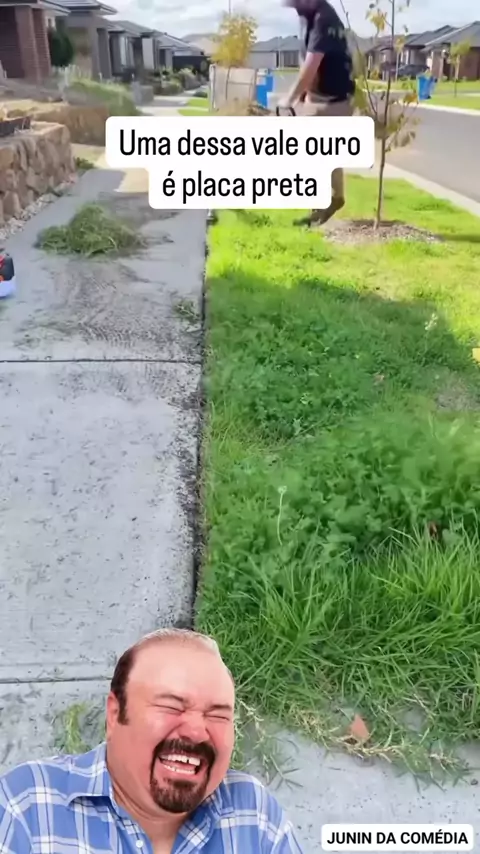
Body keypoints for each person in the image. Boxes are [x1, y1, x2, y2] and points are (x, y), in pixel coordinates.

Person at [0, 628, 303, 853]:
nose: (197, 732)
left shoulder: (253, 814)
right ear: (115, 714)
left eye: (218, 715)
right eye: (172, 707)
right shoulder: (28, 806)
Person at [279, 0, 356, 226]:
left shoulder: (324, 19)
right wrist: (303, 95)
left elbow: (312, 65)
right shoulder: (306, 15)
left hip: (336, 99)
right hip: (318, 97)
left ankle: (327, 202)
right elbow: (306, 57)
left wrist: (289, 99)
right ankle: (331, 199)